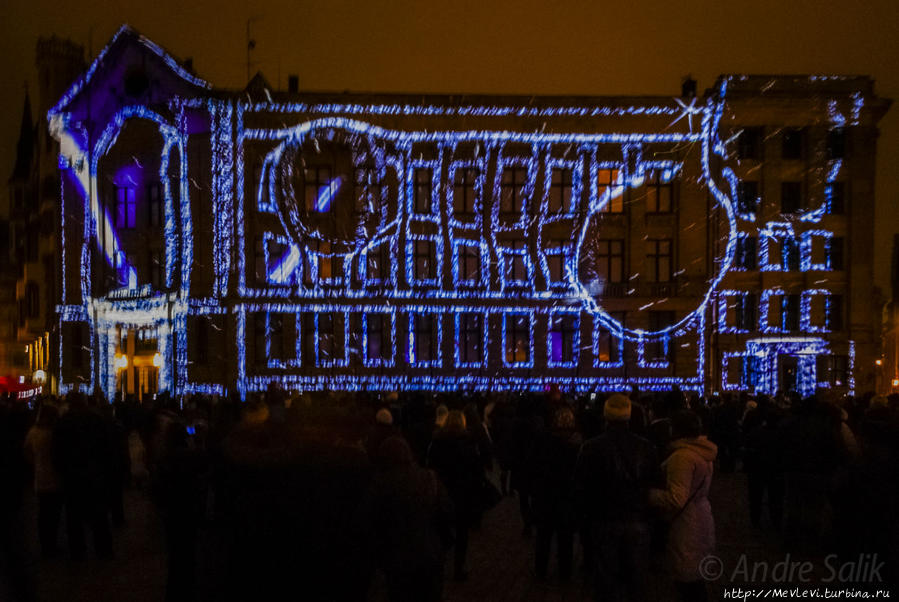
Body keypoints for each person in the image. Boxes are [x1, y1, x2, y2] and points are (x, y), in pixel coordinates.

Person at [576, 393, 658, 601]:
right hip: (636, 517)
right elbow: (655, 482)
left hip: (604, 517)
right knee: (636, 578)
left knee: (606, 578)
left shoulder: (591, 447)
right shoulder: (646, 447)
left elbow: (582, 486)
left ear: (606, 417)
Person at [357, 437, 454, 602]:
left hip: (397, 558)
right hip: (430, 554)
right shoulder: (429, 478)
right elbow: (447, 513)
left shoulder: (380, 483)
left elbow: (367, 520)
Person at [650, 410, 718, 602]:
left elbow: (677, 498)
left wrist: (649, 494)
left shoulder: (682, 457)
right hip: (700, 515)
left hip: (686, 522)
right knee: (695, 575)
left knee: (687, 578)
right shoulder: (702, 452)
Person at [52, 391, 114, 559]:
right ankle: (103, 549)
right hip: (94, 472)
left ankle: (77, 549)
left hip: (72, 474)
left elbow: (57, 450)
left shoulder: (63, 422)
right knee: (99, 514)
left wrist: (61, 470)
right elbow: (106, 446)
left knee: (74, 516)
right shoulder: (96, 420)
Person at [427, 410, 483, 581]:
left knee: (440, 529)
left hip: (442, 491)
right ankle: (458, 568)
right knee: (462, 532)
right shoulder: (469, 443)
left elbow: (430, 466)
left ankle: (438, 564)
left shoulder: (437, 442)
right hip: (463, 492)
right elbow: (477, 470)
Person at [529, 406, 581, 581]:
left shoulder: (542, 443)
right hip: (567, 498)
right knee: (565, 538)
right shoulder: (575, 447)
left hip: (545, 496)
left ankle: (540, 570)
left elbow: (534, 467)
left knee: (543, 536)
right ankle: (565, 572)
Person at [24, 404, 63, 557]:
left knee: (43, 513)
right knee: (54, 514)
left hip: (40, 478)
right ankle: (51, 544)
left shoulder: (33, 432)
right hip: (56, 478)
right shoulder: (54, 433)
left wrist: (35, 463)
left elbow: (27, 451)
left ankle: (44, 544)